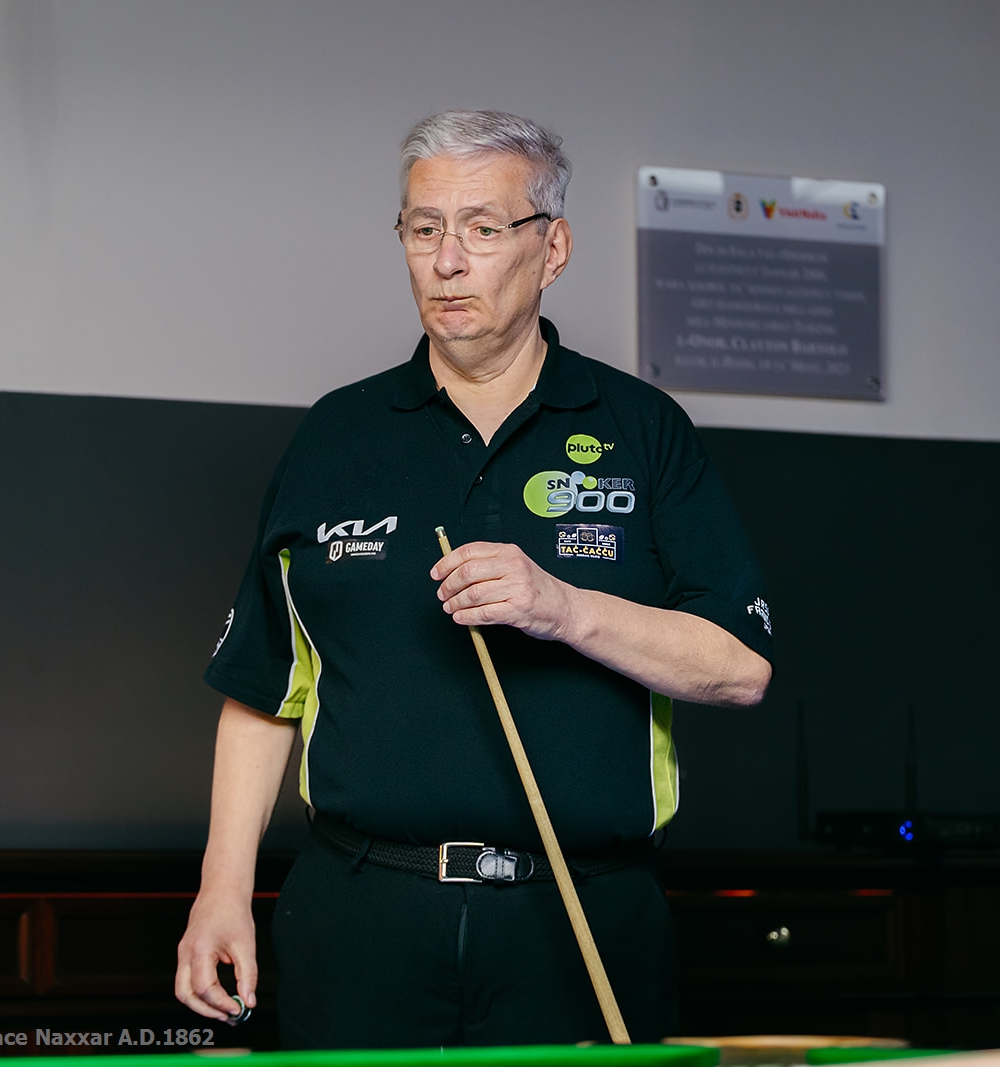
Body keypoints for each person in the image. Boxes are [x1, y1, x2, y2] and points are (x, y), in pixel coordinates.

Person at [175, 110, 774, 1047]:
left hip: (581, 912)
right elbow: (263, 689)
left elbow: (740, 667)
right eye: (425, 229)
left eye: (484, 229)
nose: (447, 261)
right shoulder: (336, 436)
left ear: (553, 248)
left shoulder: (643, 429)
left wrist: (564, 607)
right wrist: (221, 891)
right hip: (361, 914)